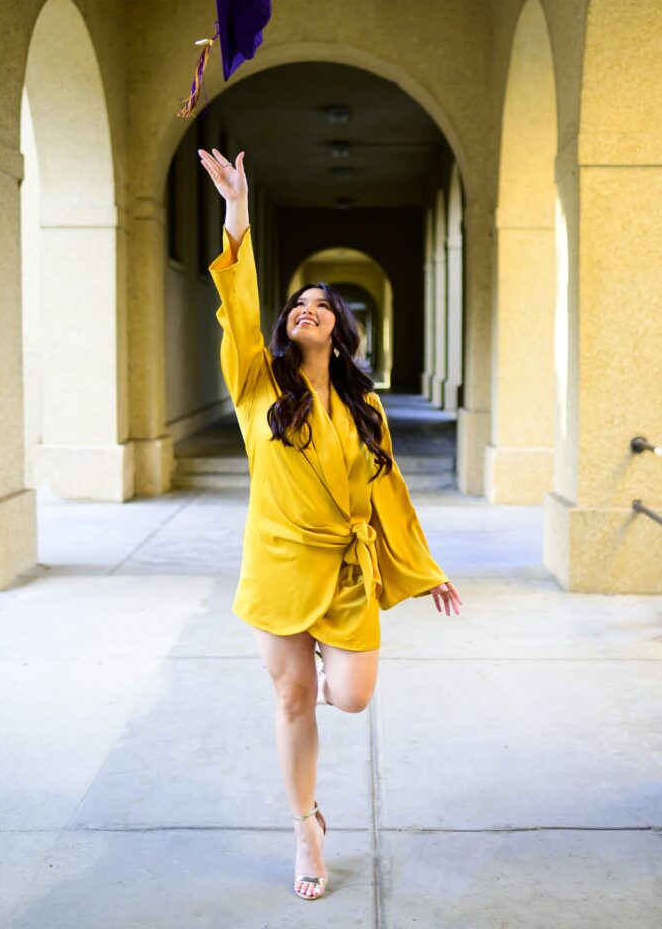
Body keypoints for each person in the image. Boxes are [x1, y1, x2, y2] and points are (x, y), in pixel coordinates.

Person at [199, 145, 463, 901]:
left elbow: (388, 496)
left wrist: (423, 566)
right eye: (296, 304)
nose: (304, 306)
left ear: (340, 329)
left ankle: (317, 672)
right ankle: (304, 826)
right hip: (280, 564)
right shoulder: (256, 383)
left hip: (347, 570)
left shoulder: (365, 406)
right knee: (291, 701)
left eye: (321, 303)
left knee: (347, 697)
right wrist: (237, 209)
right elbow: (238, 303)